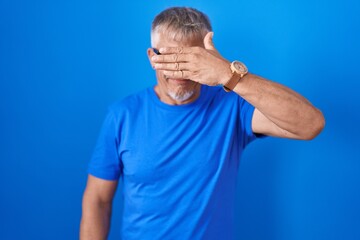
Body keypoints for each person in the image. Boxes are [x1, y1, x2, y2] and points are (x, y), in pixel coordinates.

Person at [79, 7, 325, 240]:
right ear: (152, 57)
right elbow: (98, 199)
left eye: (190, 61)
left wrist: (228, 74)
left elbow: (310, 124)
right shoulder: (122, 115)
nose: (180, 72)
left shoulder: (232, 107)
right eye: (170, 59)